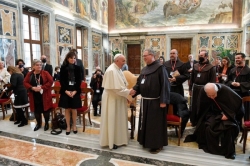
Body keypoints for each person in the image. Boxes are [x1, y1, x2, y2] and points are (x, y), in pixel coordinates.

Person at [185, 83, 244, 160]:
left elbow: (238, 105)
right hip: (214, 114)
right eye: (209, 96)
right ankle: (212, 148)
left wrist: (229, 115)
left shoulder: (226, 91)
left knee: (230, 128)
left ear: (217, 91)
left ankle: (229, 151)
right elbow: (201, 107)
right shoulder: (203, 92)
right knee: (208, 126)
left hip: (228, 115)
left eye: (213, 95)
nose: (212, 97)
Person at [133, 49, 170, 154]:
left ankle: (157, 145)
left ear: (152, 55)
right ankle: (145, 141)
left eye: (146, 56)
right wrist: (135, 89)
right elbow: (139, 82)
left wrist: (164, 100)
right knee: (145, 123)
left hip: (156, 102)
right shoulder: (144, 69)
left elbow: (165, 85)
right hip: (145, 101)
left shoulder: (160, 68)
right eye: (143, 56)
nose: (144, 58)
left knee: (155, 125)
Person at [100, 54, 135, 150]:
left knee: (118, 120)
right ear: (117, 61)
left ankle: (119, 140)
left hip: (118, 98)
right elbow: (115, 90)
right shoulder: (111, 71)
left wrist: (127, 94)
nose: (125, 63)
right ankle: (112, 141)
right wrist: (128, 93)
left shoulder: (118, 69)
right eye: (123, 61)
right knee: (112, 120)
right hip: (112, 99)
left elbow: (122, 86)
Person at [24, 59, 53, 131]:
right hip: (34, 95)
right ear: (33, 66)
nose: (39, 66)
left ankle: (46, 123)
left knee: (46, 110)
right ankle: (38, 124)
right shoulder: (30, 74)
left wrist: (42, 87)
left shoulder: (45, 73)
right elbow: (25, 82)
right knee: (36, 111)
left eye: (40, 65)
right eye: (37, 65)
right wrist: (32, 88)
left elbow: (51, 81)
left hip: (44, 95)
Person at [58, 51, 82, 135]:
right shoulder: (63, 68)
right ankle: (68, 126)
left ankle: (74, 125)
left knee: (74, 109)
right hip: (66, 91)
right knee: (67, 110)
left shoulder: (78, 68)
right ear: (68, 58)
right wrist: (66, 91)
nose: (73, 59)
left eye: (74, 58)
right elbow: (62, 81)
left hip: (75, 90)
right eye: (71, 58)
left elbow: (79, 81)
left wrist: (75, 91)